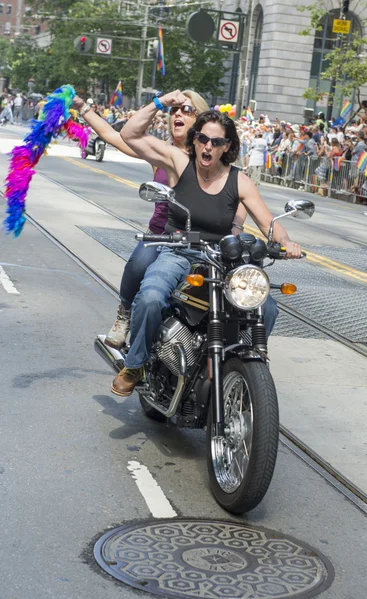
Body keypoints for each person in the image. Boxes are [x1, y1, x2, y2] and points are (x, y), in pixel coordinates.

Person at [112, 90, 303, 396]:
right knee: (150, 297)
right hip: (177, 251)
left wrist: (286, 243)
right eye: (202, 138)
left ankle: (244, 367)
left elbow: (269, 224)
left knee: (265, 307)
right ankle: (135, 364)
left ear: (227, 146)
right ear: (195, 139)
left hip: (222, 258)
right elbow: (130, 132)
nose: (208, 146)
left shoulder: (239, 180)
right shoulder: (179, 161)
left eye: (216, 142)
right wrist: (161, 102)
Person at [74, 91, 247, 349]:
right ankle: (125, 314)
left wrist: (236, 227)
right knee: (138, 263)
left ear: (201, 121)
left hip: (204, 240)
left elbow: (242, 193)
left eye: (186, 110)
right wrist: (82, 108)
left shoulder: (213, 154)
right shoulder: (162, 152)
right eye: (174, 110)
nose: (177, 114)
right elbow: (114, 136)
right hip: (162, 235)